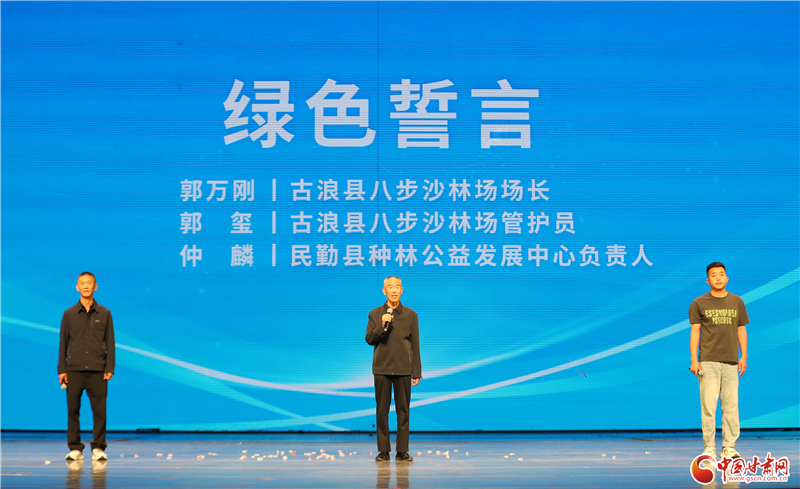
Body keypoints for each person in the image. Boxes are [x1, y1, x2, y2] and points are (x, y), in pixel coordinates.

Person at [689, 262, 749, 461]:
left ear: (727, 278)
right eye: (713, 275)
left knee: (731, 406)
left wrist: (743, 356)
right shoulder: (699, 303)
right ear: (708, 280)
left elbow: (741, 329)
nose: (718, 278)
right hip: (708, 361)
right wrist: (694, 360)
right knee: (708, 407)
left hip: (731, 361)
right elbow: (695, 332)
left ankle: (729, 447)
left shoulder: (737, 301)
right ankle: (709, 448)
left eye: (721, 274)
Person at [58, 272, 115, 461]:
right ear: (77, 287)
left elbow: (110, 342)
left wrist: (109, 367)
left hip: (98, 370)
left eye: (89, 283)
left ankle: (98, 447)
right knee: (73, 410)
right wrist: (62, 369)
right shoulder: (69, 314)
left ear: (95, 286)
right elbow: (63, 343)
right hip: (73, 369)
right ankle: (75, 448)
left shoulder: (105, 313)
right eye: (82, 283)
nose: (85, 286)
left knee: (100, 411)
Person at [365, 276, 421, 462]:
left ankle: (402, 451)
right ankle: (383, 451)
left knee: (403, 411)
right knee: (382, 411)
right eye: (390, 287)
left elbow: (415, 345)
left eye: (397, 287)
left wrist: (416, 371)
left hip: (403, 368)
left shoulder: (411, 315)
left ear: (402, 290)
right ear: (384, 291)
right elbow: (369, 339)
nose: (394, 290)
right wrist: (382, 325)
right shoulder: (374, 314)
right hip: (381, 369)